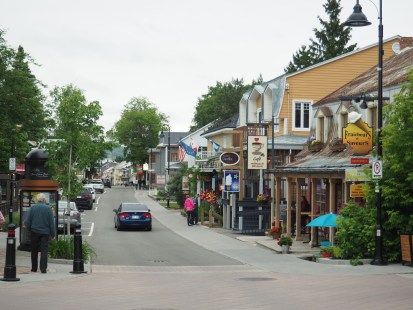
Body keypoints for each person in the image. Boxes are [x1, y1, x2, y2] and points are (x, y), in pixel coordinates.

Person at [24, 193, 56, 274]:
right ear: (44, 199)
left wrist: (30, 229)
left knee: (34, 250)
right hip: (45, 233)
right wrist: (53, 234)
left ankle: (34, 268)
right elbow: (51, 223)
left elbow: (27, 221)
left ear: (37, 199)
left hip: (34, 231)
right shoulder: (48, 209)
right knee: (44, 250)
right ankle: (43, 268)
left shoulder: (32, 208)